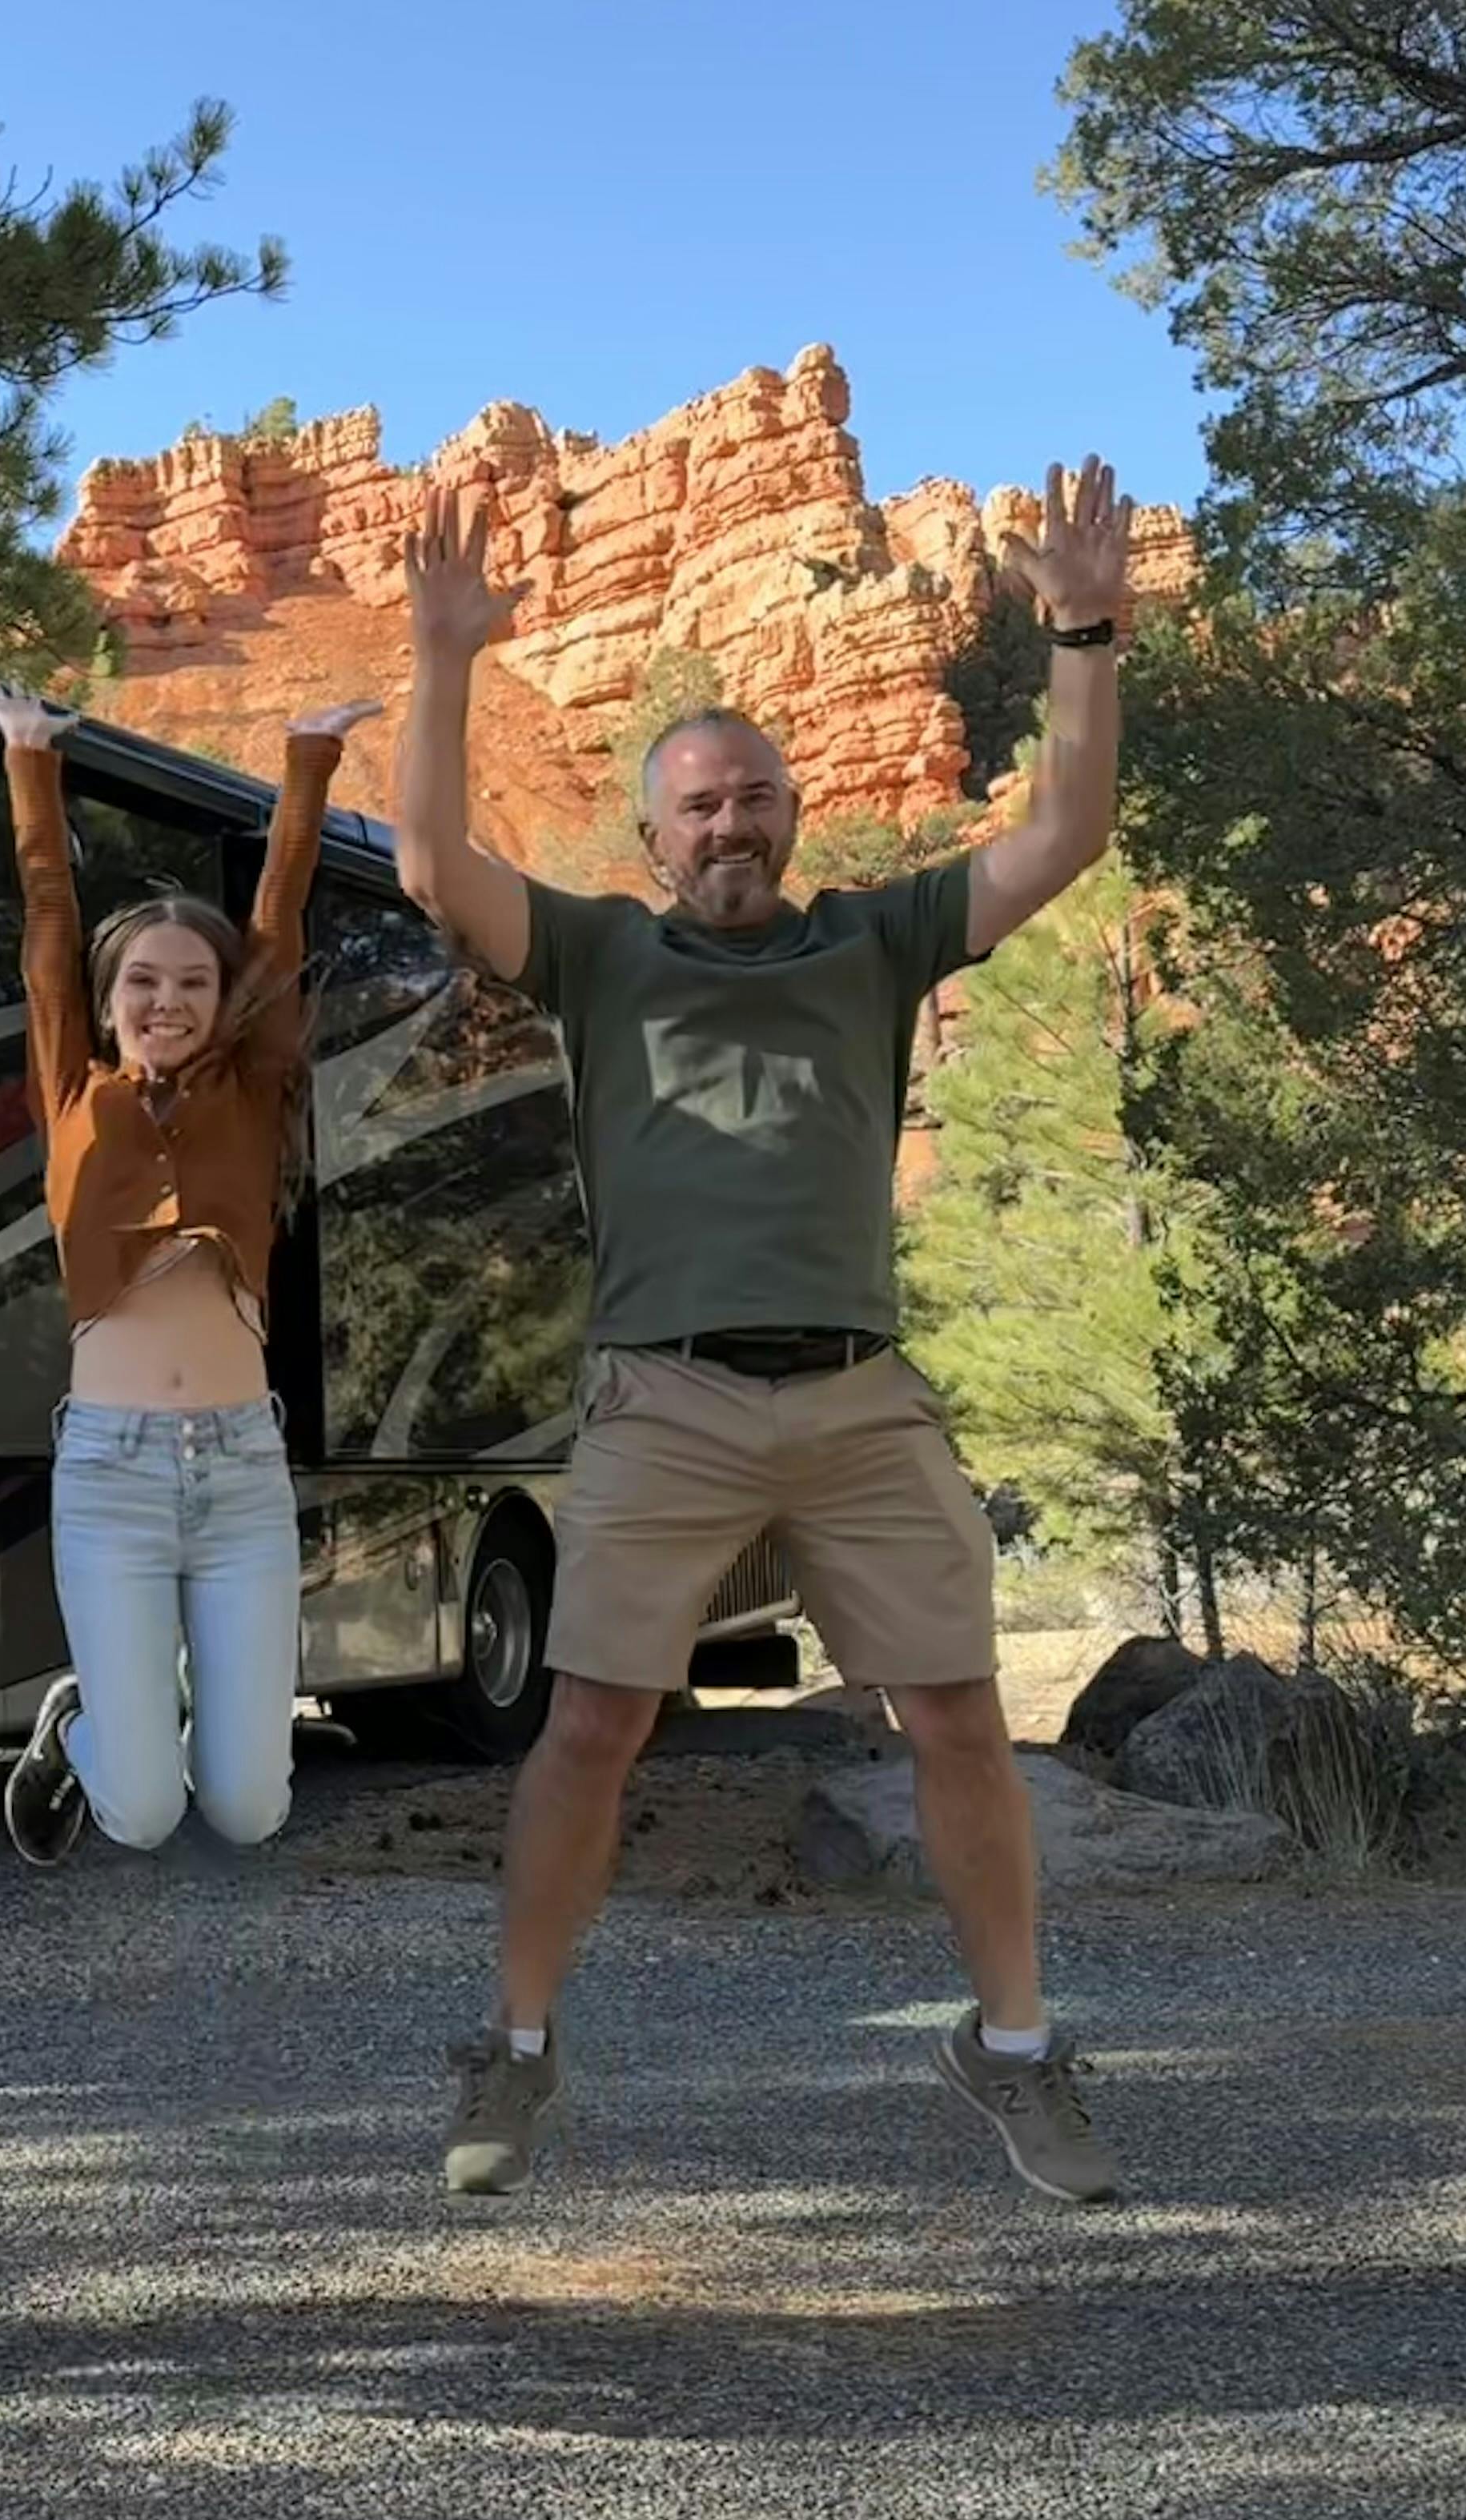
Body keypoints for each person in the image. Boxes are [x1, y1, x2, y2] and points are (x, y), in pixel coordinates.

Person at [388, 463, 1145, 2205]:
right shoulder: (598, 957)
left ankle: (1015, 2048)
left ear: (793, 814)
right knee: (588, 1724)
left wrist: (1085, 639)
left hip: (862, 1395)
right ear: (652, 840)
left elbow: (1064, 836)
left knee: (958, 1712)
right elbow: (434, 859)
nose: (730, 827)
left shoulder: (874, 940)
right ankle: (513, 2048)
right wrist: (444, 662)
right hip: (665, 1395)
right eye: (698, 807)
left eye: (754, 799)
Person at [0, 680, 372, 1857]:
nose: (167, 999)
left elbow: (278, 924)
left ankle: (151, 1720)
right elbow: (49, 924)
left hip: (243, 1472)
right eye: (142, 981)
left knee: (249, 1808)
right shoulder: (71, 1095)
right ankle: (90, 1724)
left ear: (220, 1004)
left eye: (192, 983)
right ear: (107, 1005)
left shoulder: (250, 1092)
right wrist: (31, 768)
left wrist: (306, 763)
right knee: (142, 1814)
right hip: (111, 1478)